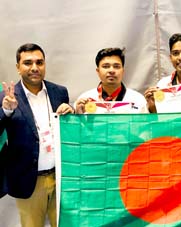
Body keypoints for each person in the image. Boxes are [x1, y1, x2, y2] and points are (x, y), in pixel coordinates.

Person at [0, 43, 74, 227]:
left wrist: (71, 111)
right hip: (29, 181)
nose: (34, 67)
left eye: (39, 62)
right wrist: (6, 111)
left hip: (61, 178)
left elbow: (66, 128)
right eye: (28, 63)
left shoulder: (59, 91)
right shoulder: (6, 97)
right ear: (18, 67)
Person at [75, 47, 147, 113]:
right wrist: (79, 116)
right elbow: (79, 126)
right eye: (106, 66)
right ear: (98, 71)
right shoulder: (84, 99)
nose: (111, 70)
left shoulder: (138, 99)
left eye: (116, 66)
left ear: (123, 71)